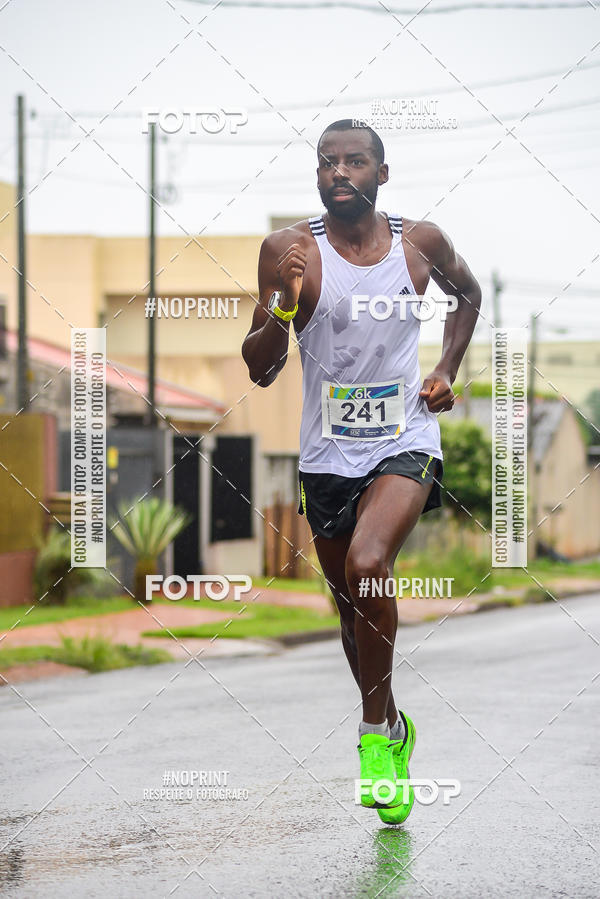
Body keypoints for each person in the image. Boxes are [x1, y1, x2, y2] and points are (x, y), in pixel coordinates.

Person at [242, 119, 481, 824]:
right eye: (327, 163)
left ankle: (373, 738)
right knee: (352, 616)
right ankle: (397, 722)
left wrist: (444, 369)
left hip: (405, 437)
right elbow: (261, 368)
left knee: (370, 564)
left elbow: (466, 297)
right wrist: (280, 308)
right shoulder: (288, 251)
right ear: (317, 176)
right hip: (327, 454)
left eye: (354, 161)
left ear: (382, 172)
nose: (339, 172)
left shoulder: (420, 243)